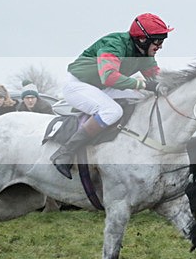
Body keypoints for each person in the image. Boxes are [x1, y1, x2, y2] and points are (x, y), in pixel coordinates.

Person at [50, 13, 172, 179]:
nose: (160, 46)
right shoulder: (115, 44)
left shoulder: (145, 55)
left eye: (162, 41)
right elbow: (109, 76)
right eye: (158, 41)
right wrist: (142, 84)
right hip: (79, 85)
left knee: (142, 97)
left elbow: (157, 79)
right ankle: (64, 153)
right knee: (112, 112)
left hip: (102, 87)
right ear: (143, 39)